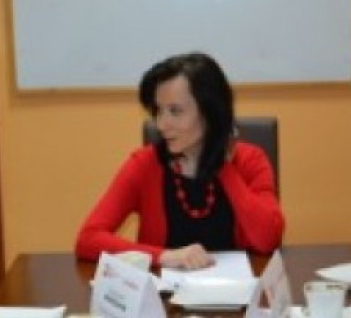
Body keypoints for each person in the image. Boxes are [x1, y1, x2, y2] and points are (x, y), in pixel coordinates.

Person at [75, 52, 284, 269]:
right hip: (164, 290)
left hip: (237, 288)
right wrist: (164, 256)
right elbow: (88, 239)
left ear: (210, 112)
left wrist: (223, 166)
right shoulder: (144, 165)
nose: (162, 124)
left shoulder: (250, 161)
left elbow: (268, 239)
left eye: (175, 111)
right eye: (158, 111)